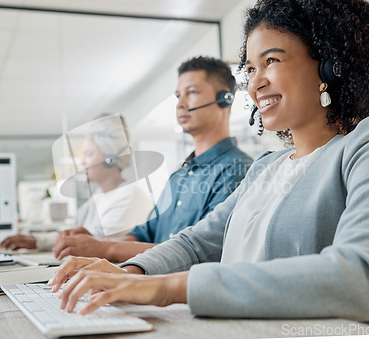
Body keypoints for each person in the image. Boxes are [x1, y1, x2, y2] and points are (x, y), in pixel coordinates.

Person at [47, 0, 369, 324]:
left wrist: (170, 288)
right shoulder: (266, 167)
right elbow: (198, 243)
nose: (255, 83)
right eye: (251, 69)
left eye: (271, 60)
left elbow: (361, 278)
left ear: (329, 66)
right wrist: (130, 272)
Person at [50, 56, 253, 261]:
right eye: (178, 96)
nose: (180, 104)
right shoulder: (179, 175)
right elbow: (145, 232)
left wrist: (106, 248)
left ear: (224, 99)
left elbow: (203, 252)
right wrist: (97, 243)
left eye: (191, 93)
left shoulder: (238, 170)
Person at [0, 115, 154, 250]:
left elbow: (96, 242)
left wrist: (36, 241)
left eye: (88, 154)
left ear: (110, 159)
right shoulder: (99, 196)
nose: (82, 162)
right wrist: (35, 239)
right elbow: (71, 231)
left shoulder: (129, 195)